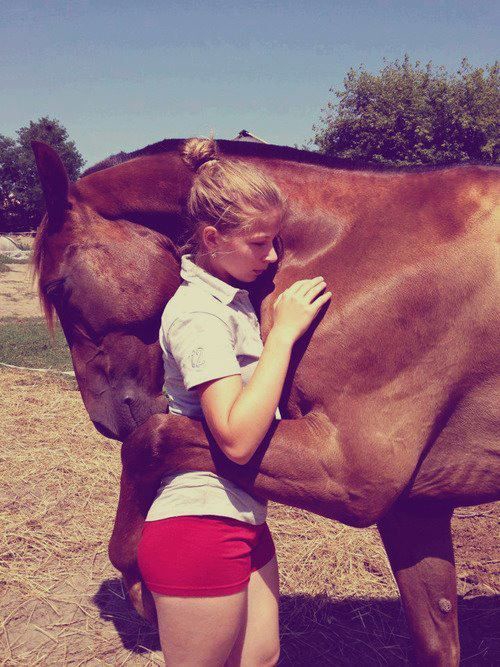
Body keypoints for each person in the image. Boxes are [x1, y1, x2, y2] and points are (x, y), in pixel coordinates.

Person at [137, 137, 332, 666]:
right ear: (211, 238)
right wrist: (283, 336)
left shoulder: (231, 300)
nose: (272, 257)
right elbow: (236, 438)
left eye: (275, 241)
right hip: (199, 523)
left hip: (243, 517)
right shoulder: (198, 314)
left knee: (261, 658)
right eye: (258, 243)